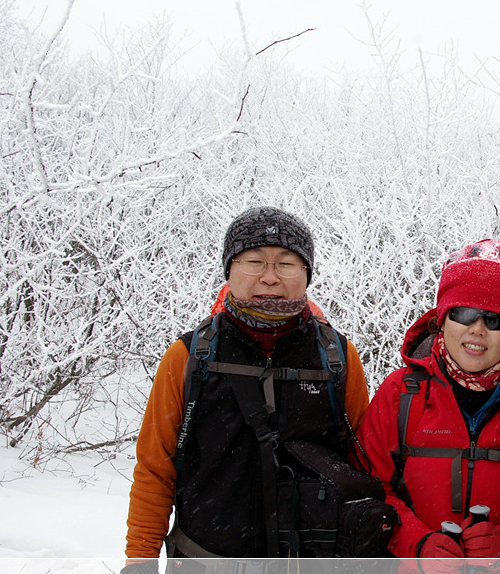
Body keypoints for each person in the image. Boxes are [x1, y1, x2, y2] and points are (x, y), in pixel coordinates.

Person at [123, 206, 370, 566]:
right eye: (253, 261)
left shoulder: (337, 357)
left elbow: (365, 465)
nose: (269, 277)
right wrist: (139, 559)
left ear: (306, 274)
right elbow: (154, 468)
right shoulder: (190, 356)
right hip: (204, 561)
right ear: (230, 271)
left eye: (286, 263)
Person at [355, 239, 500, 568]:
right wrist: (414, 543)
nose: (477, 329)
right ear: (443, 319)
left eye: (495, 319)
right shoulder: (399, 396)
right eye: (464, 313)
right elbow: (369, 490)